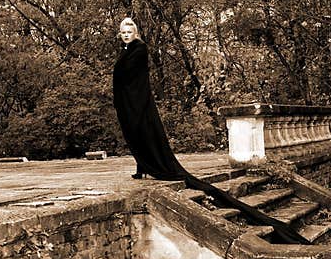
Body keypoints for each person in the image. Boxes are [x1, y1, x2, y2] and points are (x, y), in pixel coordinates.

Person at [112, 16, 310, 245]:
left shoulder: (139, 48)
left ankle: (149, 164)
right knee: (135, 133)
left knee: (142, 130)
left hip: (138, 100)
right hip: (129, 99)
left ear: (135, 32)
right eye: (123, 32)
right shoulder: (127, 49)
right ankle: (142, 165)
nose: (126, 35)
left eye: (129, 31)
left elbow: (127, 74)